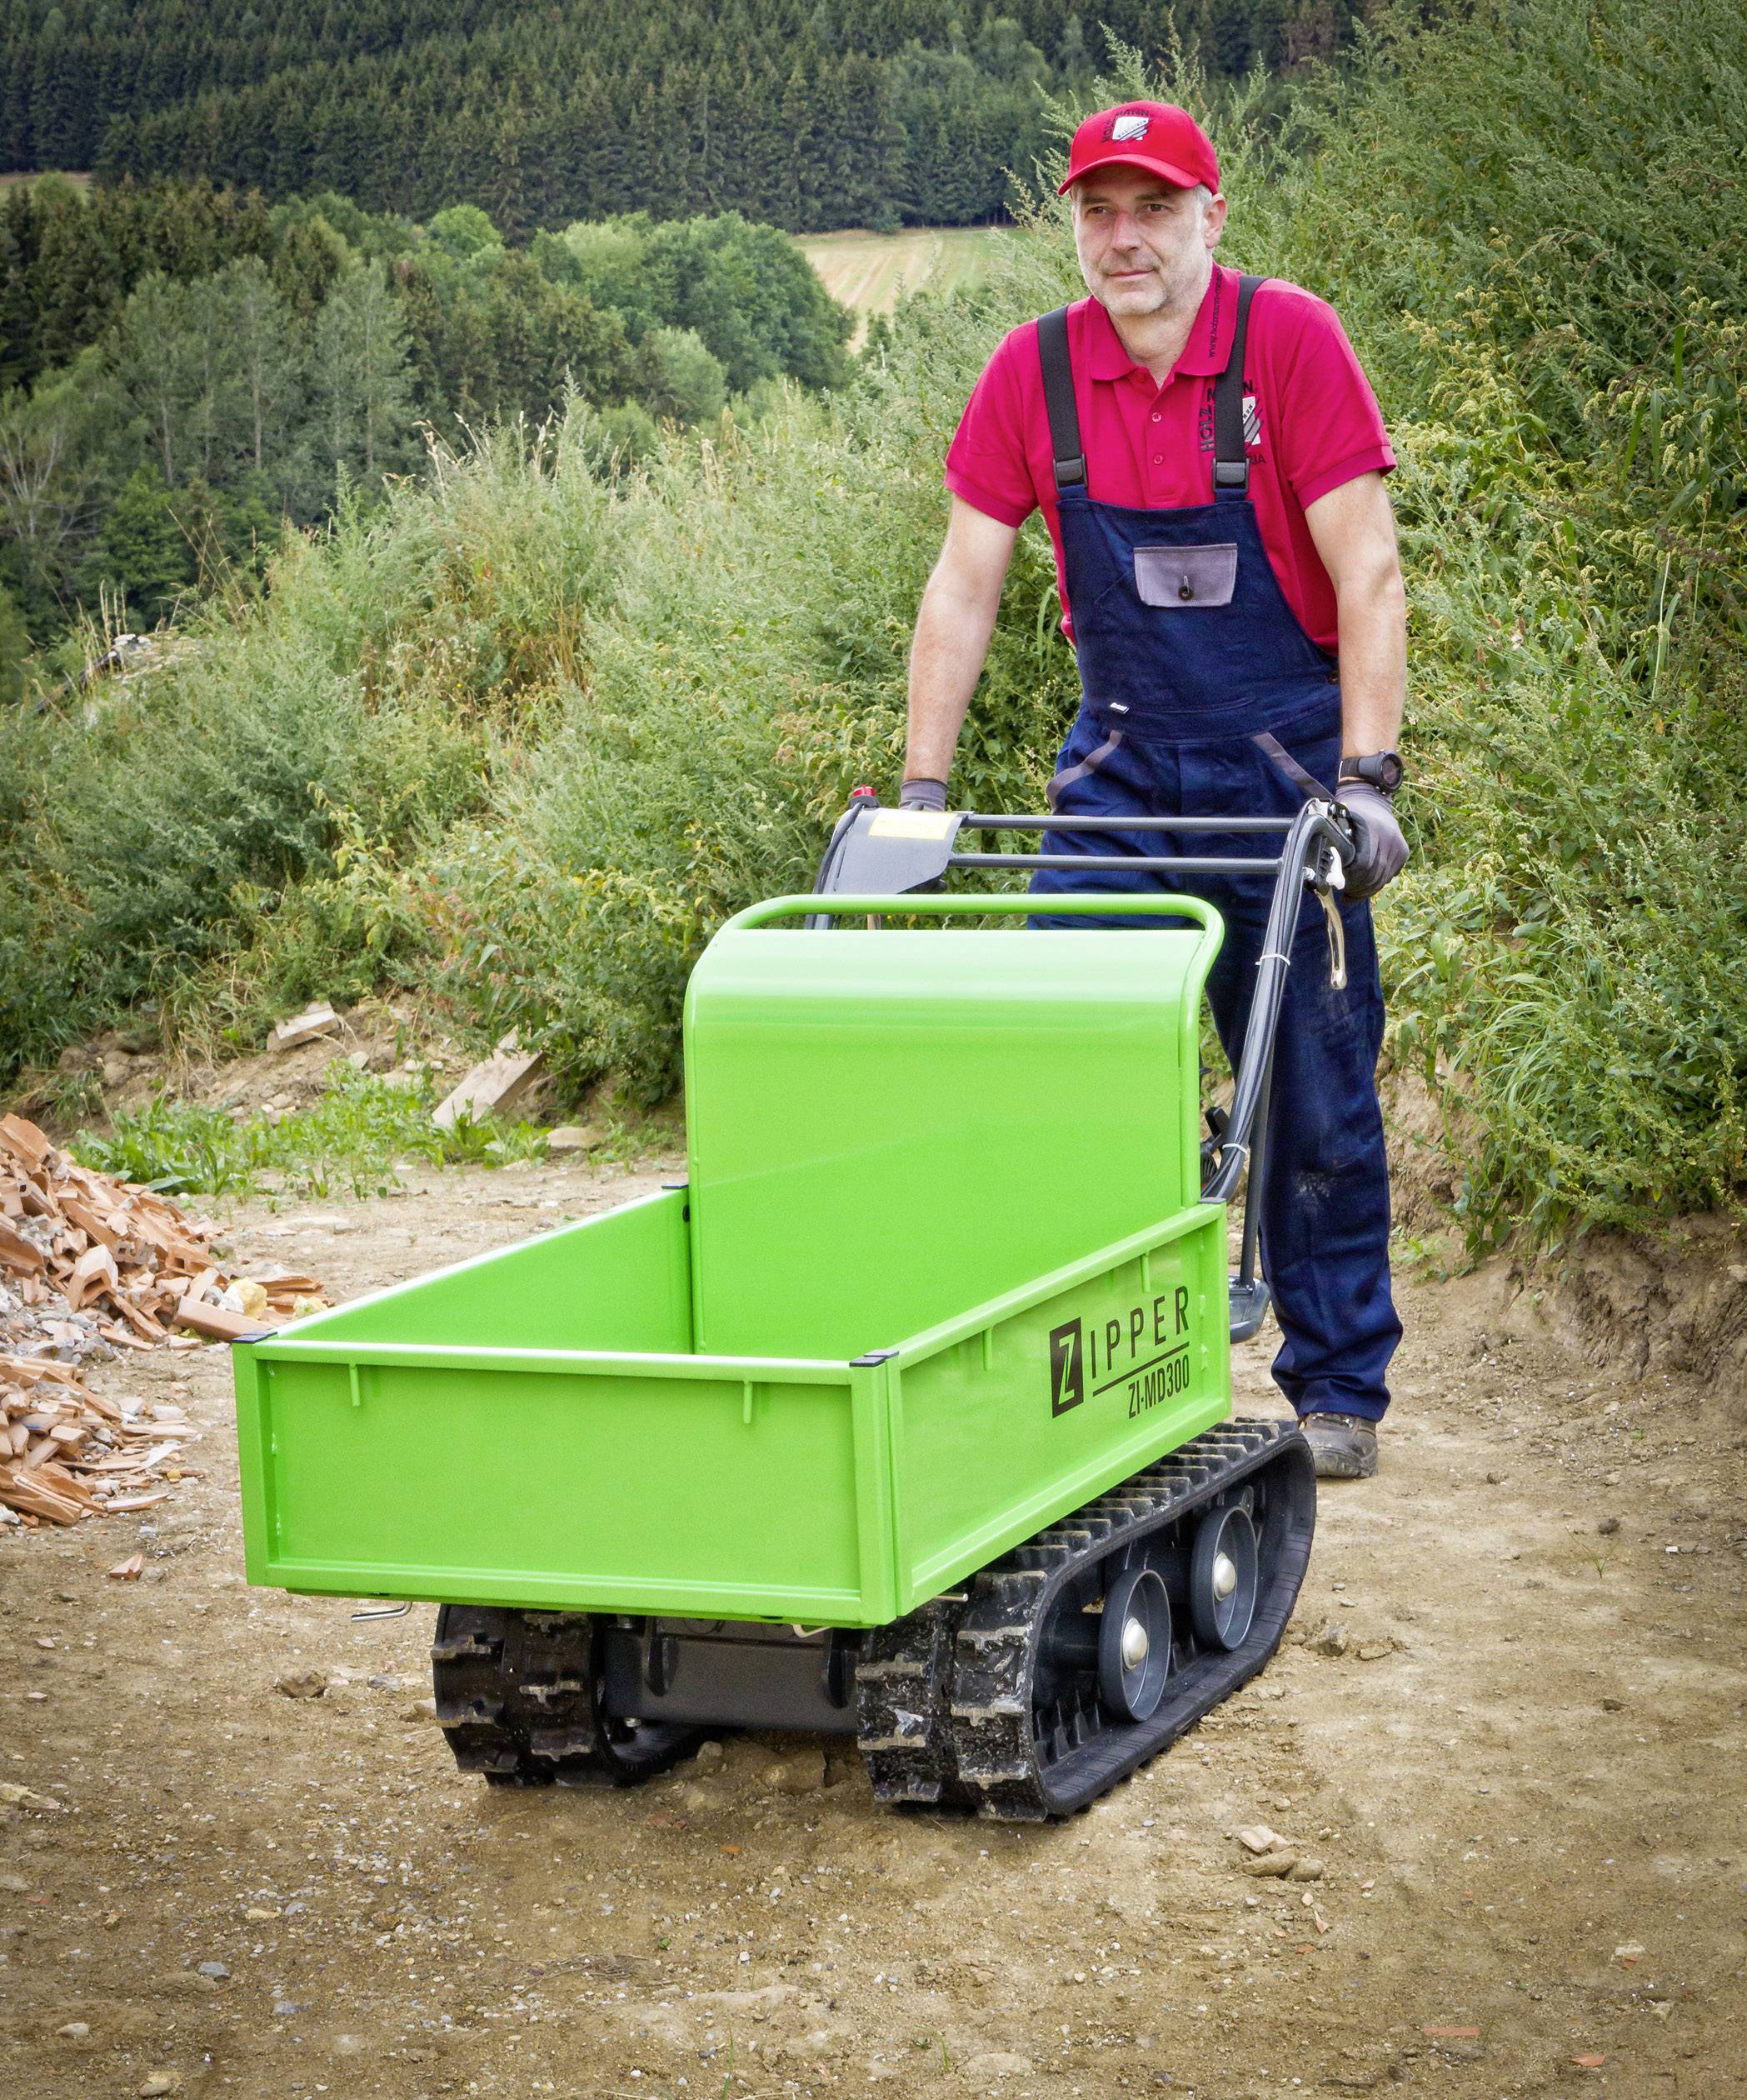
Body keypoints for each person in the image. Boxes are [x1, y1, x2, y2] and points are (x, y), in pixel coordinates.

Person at [899, 101, 1407, 1480]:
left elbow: (1364, 569)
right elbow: (963, 583)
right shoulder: (1033, 375)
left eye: (1153, 210)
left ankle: (1337, 1379)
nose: (1123, 241)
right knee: (1065, 1057)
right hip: (1121, 765)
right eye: (1098, 212)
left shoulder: (1285, 343)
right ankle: (1092, 1373)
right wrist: (921, 792)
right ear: (1074, 226)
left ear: (1209, 217)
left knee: (1307, 1076)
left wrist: (1367, 781)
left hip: (1280, 761)